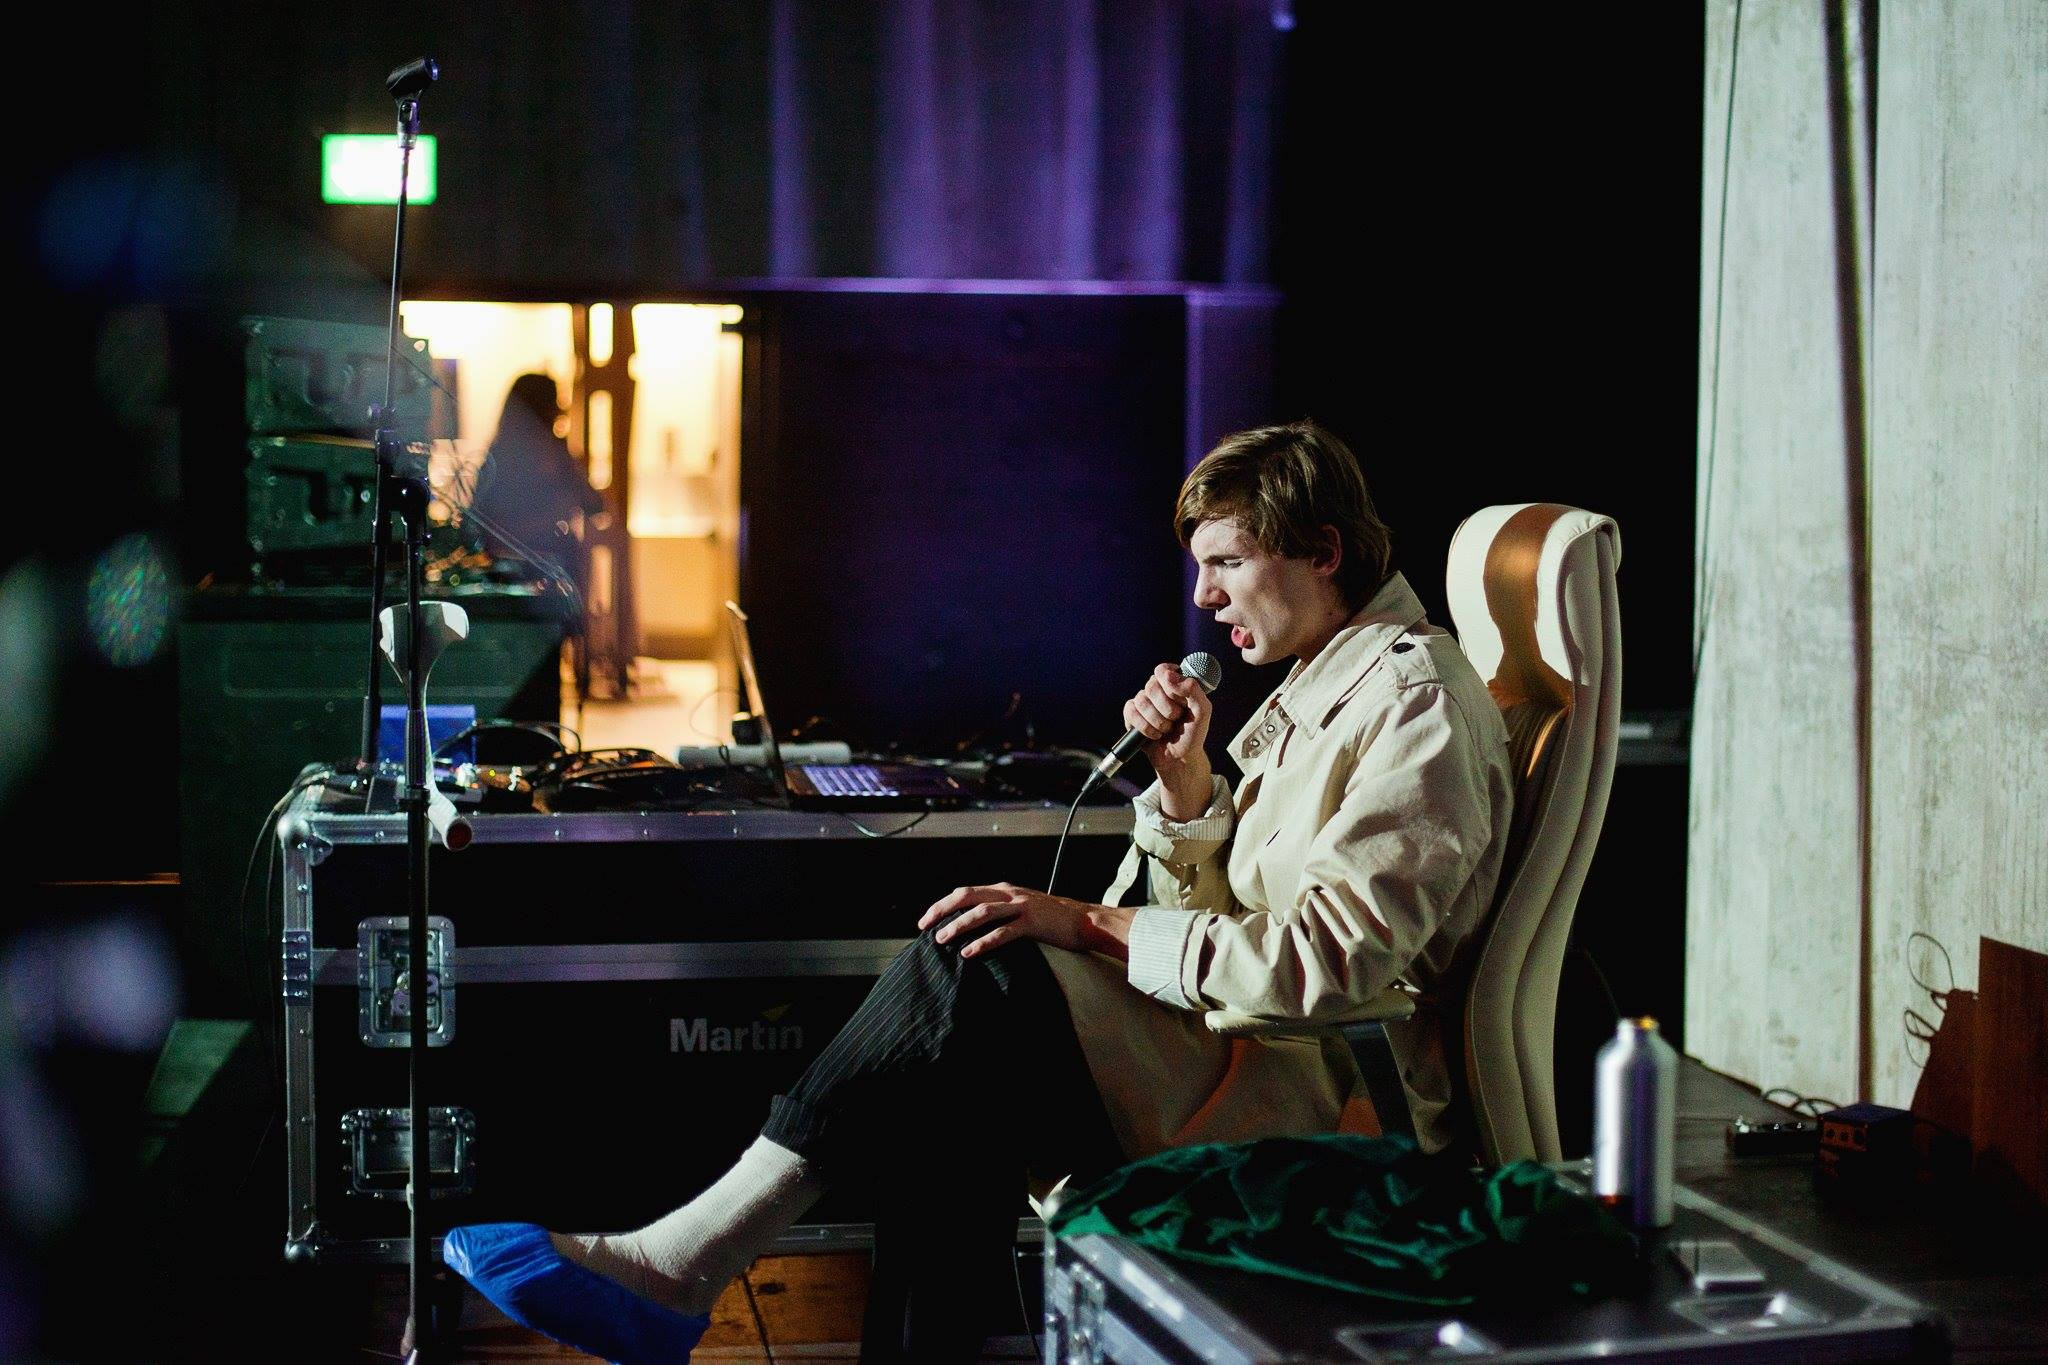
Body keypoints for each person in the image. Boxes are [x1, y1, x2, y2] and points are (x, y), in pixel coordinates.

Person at [442, 419, 1514, 1363]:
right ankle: (684, 1273)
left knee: (978, 969)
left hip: (1324, 1110)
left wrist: (1085, 922)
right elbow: (1228, 924)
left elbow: (1324, 965)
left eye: (1228, 562)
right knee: (953, 1063)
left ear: (1322, 550)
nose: (1202, 596)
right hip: (1243, 1058)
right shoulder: (1330, 685)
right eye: (1202, 567)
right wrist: (1186, 790)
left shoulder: (1412, 702)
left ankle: (681, 1264)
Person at [467, 372, 606, 596]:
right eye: (556, 403)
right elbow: (593, 504)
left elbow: (477, 521)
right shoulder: (553, 455)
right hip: (549, 570)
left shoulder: (496, 457)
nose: (561, 410)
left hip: (503, 572)